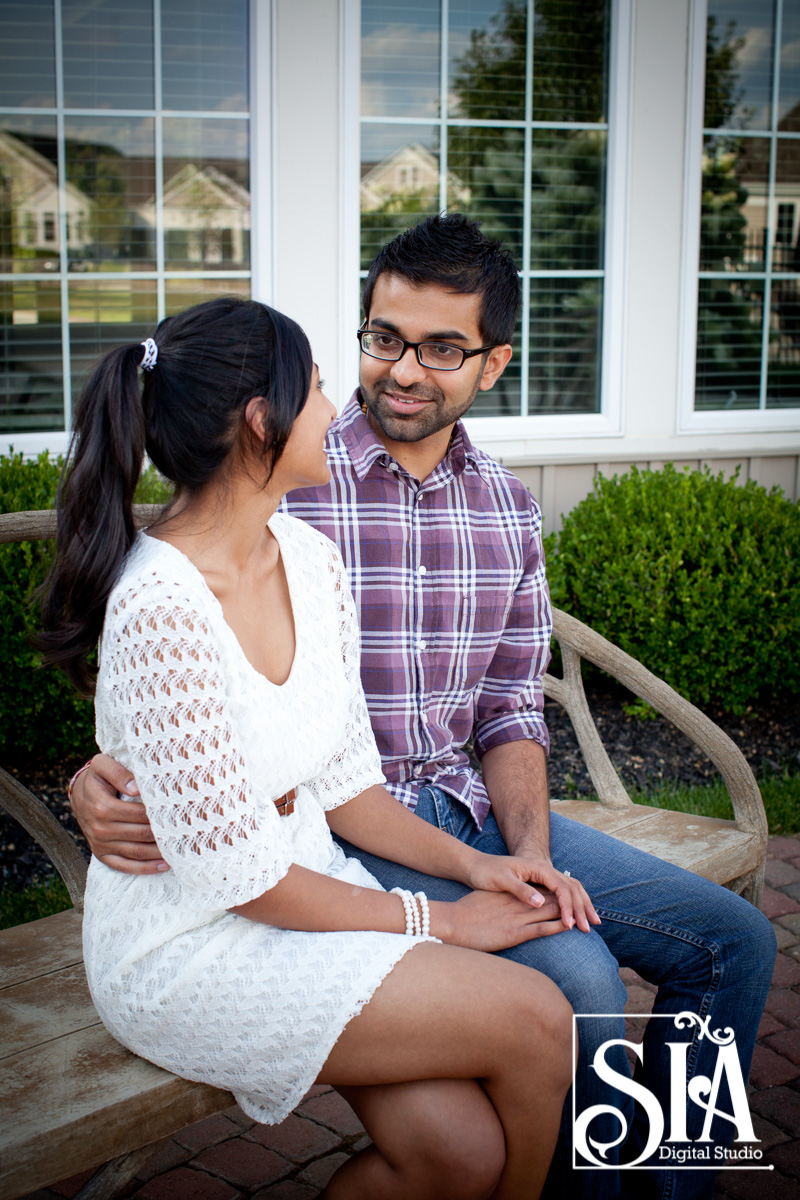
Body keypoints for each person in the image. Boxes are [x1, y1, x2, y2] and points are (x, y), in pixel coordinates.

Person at [70, 218, 777, 1199]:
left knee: (732, 939)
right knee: (573, 981)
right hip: (341, 850)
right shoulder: (287, 493)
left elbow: (506, 708)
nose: (398, 371)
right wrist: (97, 770)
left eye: (440, 348)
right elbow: (176, 680)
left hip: (454, 815)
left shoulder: (501, 506)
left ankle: (668, 1191)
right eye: (380, 339)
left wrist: (522, 852)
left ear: (493, 362)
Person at [40, 295, 582, 1200]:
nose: (336, 409)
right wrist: (442, 922)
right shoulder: (161, 609)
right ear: (262, 422)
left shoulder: (308, 558)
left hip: (309, 886)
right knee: (538, 1018)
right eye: (320, 388)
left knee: (457, 1155)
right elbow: (237, 880)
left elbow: (346, 784)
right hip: (191, 945)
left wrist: (473, 869)